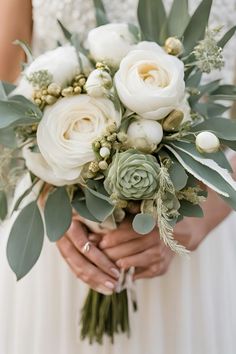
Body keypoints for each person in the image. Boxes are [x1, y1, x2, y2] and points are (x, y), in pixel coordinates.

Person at [0, 1, 236, 353]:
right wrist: (53, 200)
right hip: (60, 235)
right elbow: (6, 82)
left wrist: (194, 224)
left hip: (194, 218)